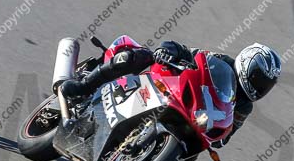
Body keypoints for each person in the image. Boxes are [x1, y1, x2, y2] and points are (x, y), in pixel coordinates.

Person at [61, 40, 282, 146]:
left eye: (265, 85)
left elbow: (227, 134)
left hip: (192, 120)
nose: (259, 87)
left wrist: (218, 140)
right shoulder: (221, 61)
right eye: (258, 79)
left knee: (191, 153)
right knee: (135, 57)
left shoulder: (244, 106)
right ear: (246, 64)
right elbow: (189, 52)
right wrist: (167, 51)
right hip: (170, 86)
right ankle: (83, 87)